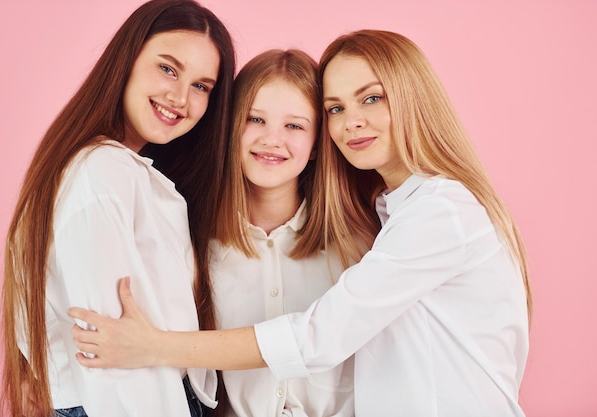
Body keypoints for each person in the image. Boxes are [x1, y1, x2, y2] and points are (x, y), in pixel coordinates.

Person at [68, 29, 532, 417]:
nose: (352, 122)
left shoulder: (431, 215)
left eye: (371, 98)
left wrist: (155, 346)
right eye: (336, 108)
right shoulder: (395, 213)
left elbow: (319, 337)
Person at [0, 0, 235, 416]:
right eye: (167, 68)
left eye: (201, 86)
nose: (180, 97)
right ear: (127, 60)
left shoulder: (111, 167)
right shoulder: (102, 170)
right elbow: (109, 353)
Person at [209, 49, 361, 417]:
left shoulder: (359, 246)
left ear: (314, 146)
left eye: (294, 126)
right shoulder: (198, 244)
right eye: (255, 119)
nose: (272, 139)